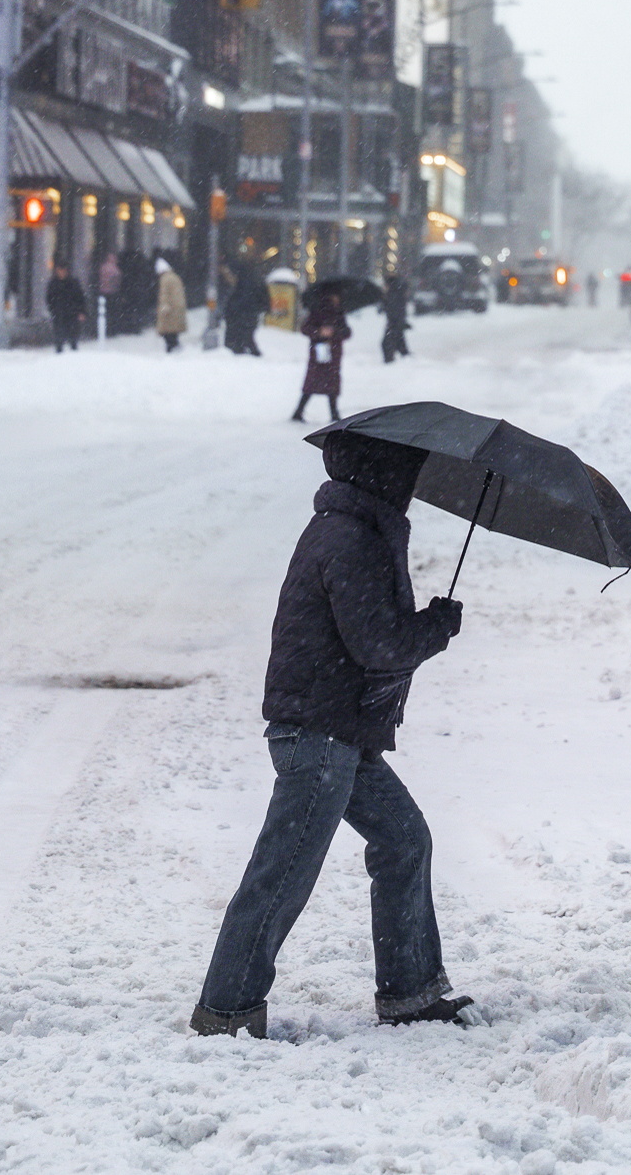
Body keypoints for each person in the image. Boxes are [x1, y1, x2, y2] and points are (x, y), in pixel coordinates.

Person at [191, 429, 474, 1039]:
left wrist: (422, 626)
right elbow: (377, 644)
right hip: (318, 734)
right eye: (409, 474)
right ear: (384, 474)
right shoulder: (348, 537)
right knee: (284, 870)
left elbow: (370, 633)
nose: (414, 488)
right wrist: (435, 628)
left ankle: (411, 994)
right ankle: (227, 1011)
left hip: (339, 729)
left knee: (404, 841)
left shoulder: (359, 530)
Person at [291, 289, 350, 424]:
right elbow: (305, 328)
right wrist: (320, 332)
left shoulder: (339, 313)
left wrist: (333, 332)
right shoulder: (318, 311)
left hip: (332, 353)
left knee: (328, 383)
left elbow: (347, 332)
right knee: (315, 382)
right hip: (320, 352)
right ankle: (300, 411)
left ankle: (333, 413)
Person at [224, 261, 269, 356]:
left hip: (242, 315)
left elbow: (239, 302)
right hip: (249, 314)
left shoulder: (242, 286)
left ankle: (249, 353)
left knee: (244, 337)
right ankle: (251, 352)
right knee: (247, 336)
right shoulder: (251, 280)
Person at [46, 262, 87, 353]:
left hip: (72, 314)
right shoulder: (53, 284)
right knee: (59, 338)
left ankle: (73, 354)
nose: (61, 273)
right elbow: (49, 299)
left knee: (73, 338)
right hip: (59, 314)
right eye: (59, 270)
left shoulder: (73, 283)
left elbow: (80, 298)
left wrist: (81, 311)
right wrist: (53, 310)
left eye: (63, 270)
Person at [154, 257, 188, 353]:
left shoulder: (164, 279)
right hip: (178, 309)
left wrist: (164, 307)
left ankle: (172, 349)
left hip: (169, 310)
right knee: (174, 332)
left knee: (167, 332)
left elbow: (164, 294)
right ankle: (175, 347)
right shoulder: (175, 276)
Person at [380, 275, 411, 364]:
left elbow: (393, 310)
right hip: (395, 323)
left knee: (387, 344)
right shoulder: (395, 293)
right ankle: (405, 361)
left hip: (394, 323)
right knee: (399, 344)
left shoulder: (393, 294)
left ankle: (390, 362)